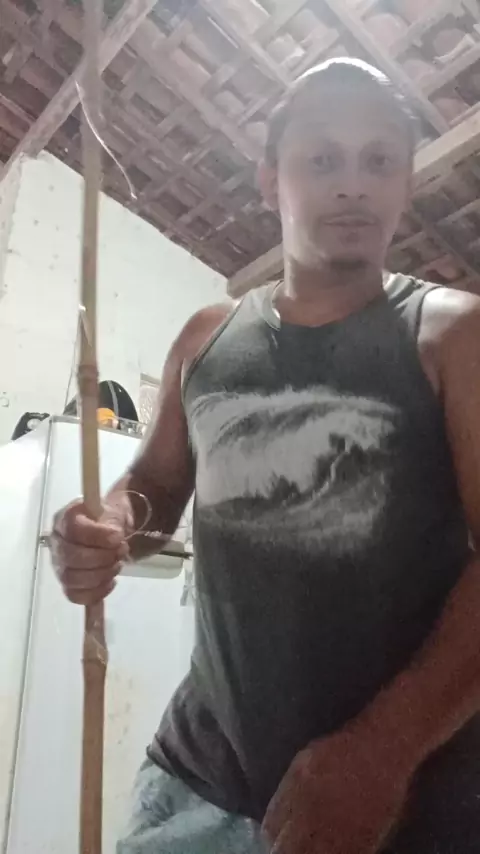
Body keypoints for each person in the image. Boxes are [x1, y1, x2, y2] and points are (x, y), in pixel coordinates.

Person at [51, 58, 480, 854]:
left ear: (406, 181)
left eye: (378, 160)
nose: (352, 184)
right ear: (268, 178)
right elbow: (155, 487)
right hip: (193, 790)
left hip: (397, 803)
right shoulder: (206, 338)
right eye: (322, 159)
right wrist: (106, 526)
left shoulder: (455, 335)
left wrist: (383, 751)